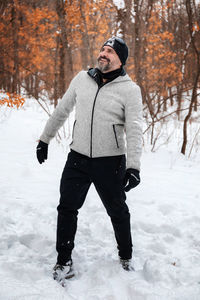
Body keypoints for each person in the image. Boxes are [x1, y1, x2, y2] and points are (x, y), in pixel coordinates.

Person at [36, 37, 143, 282]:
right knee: (67, 209)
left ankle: (125, 256)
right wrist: (45, 139)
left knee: (118, 211)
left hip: (111, 162)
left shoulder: (130, 90)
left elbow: (135, 128)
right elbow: (62, 109)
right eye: (103, 49)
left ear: (120, 59)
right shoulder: (81, 79)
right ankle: (63, 261)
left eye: (110, 51)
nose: (103, 53)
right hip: (78, 159)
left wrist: (134, 166)